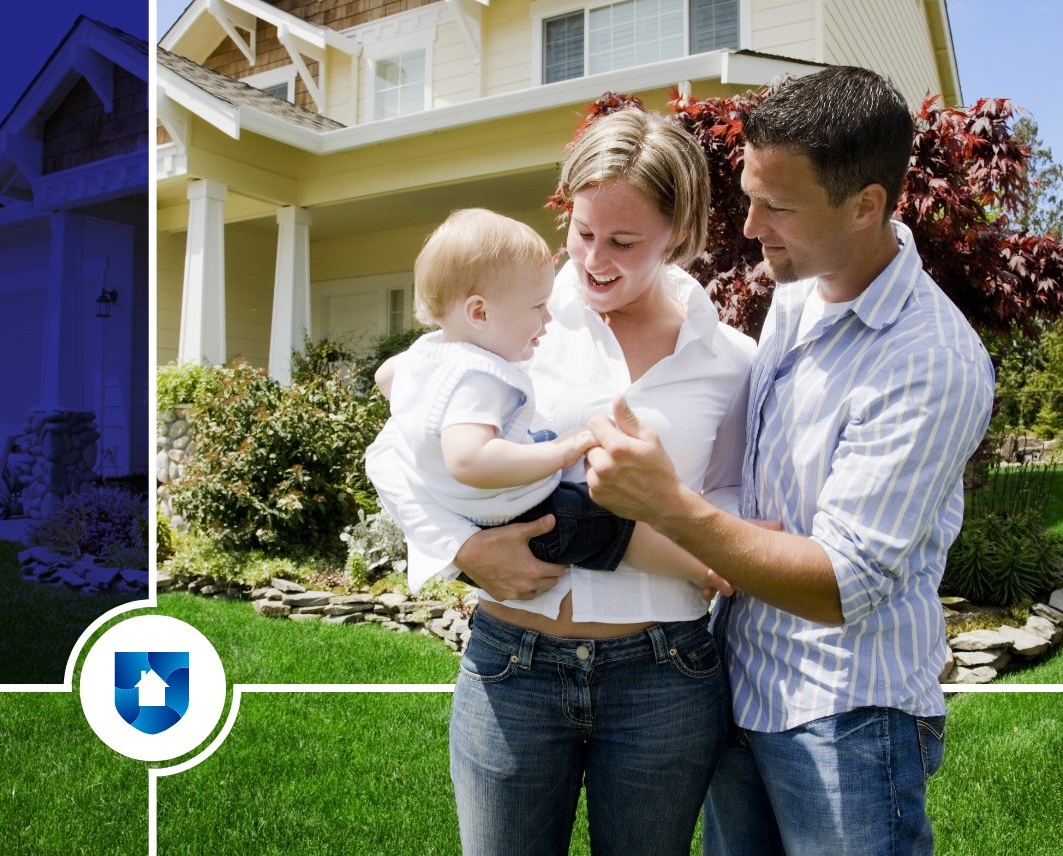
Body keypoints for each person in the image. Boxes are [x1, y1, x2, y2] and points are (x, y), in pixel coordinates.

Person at [583, 66, 996, 855]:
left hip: (849, 716)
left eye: (778, 206)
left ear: (866, 205)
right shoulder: (800, 293)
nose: (750, 226)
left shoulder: (929, 360)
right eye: (749, 192)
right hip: (746, 690)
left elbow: (846, 582)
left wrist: (666, 504)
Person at [365, 109, 755, 855]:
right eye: (582, 233)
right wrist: (462, 550)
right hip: (515, 662)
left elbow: (734, 497)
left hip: (665, 676)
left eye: (624, 242)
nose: (593, 260)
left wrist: (708, 550)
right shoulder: (515, 313)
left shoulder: (730, 359)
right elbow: (400, 449)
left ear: (678, 232)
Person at [372, 206, 721, 588]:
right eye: (538, 307)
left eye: (622, 241)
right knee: (609, 525)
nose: (548, 318)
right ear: (479, 312)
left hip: (472, 512)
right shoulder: (478, 377)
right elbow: (469, 460)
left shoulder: (426, 355)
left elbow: (386, 377)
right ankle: (704, 569)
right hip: (515, 516)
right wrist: (562, 452)